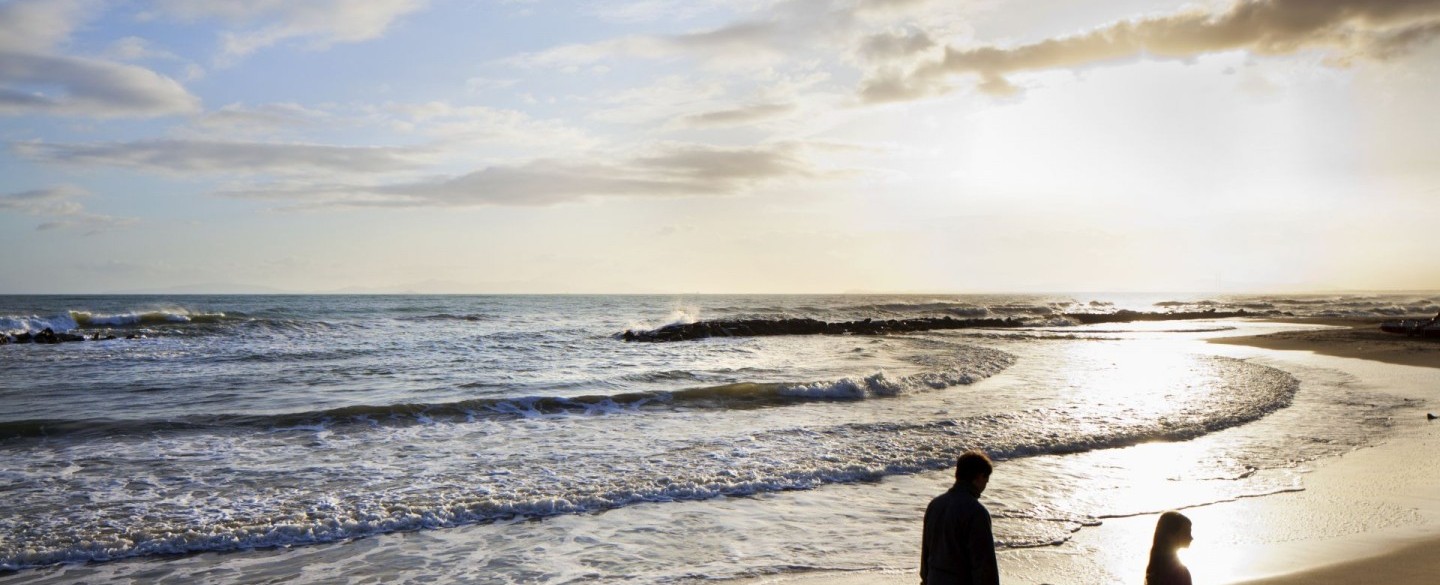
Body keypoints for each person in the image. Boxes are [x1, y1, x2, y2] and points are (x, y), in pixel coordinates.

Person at [920, 450, 999, 585]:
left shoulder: (935, 505)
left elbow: (926, 557)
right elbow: (984, 565)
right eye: (986, 479)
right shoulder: (976, 512)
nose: (986, 484)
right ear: (979, 477)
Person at [1144, 511, 1194, 585]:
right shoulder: (1181, 573)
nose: (1191, 537)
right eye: (1187, 532)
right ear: (1171, 535)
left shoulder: (1154, 571)